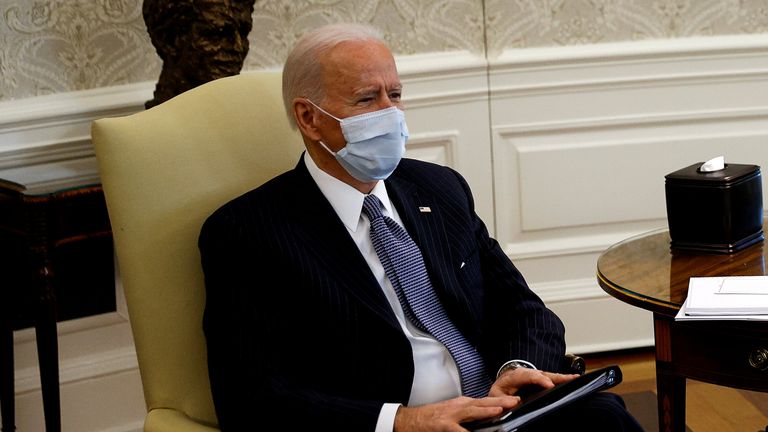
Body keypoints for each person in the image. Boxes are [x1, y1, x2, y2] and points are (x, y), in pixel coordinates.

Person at [198, 23, 643, 432]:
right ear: (309, 118)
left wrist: (515, 368)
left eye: (395, 94)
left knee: (604, 418)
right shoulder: (248, 233)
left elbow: (523, 307)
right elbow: (252, 398)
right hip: (395, 426)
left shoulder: (439, 187)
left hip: (498, 410)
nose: (390, 113)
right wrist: (402, 421)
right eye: (367, 99)